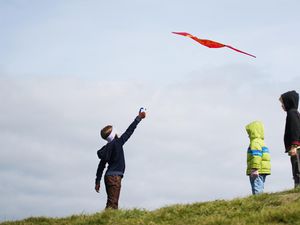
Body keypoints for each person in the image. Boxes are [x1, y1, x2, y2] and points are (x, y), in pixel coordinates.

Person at [94, 108, 146, 209]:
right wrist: (139, 118)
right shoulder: (118, 143)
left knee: (111, 203)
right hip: (115, 178)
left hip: (108, 177)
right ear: (114, 134)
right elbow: (129, 131)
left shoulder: (107, 149)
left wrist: (97, 181)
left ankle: (106, 219)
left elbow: (101, 166)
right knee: (113, 205)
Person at [279, 90, 300, 188]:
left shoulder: (292, 114)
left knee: (297, 166)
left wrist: (294, 145)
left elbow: (295, 130)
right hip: (296, 147)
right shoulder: (293, 113)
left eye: (283, 103)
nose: (282, 106)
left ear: (288, 102)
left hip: (297, 148)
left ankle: (298, 185)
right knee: (296, 166)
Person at [245, 121, 271, 195]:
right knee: (260, 186)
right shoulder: (261, 142)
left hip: (257, 170)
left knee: (256, 188)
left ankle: (258, 203)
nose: (248, 135)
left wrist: (255, 169)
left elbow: (257, 156)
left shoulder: (255, 142)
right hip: (263, 169)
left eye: (249, 133)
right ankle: (260, 201)